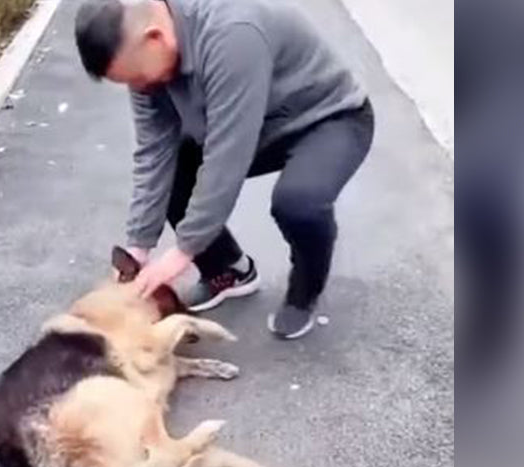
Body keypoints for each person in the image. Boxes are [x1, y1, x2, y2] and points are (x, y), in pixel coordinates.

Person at [74, 0, 374, 339]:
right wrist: (138, 246)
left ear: (155, 37)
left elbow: (226, 156)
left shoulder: (232, 34)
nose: (141, 88)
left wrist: (182, 251)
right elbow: (155, 150)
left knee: (299, 203)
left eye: (141, 78)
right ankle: (229, 271)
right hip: (258, 126)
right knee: (175, 167)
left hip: (328, 118)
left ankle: (304, 293)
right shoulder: (140, 58)